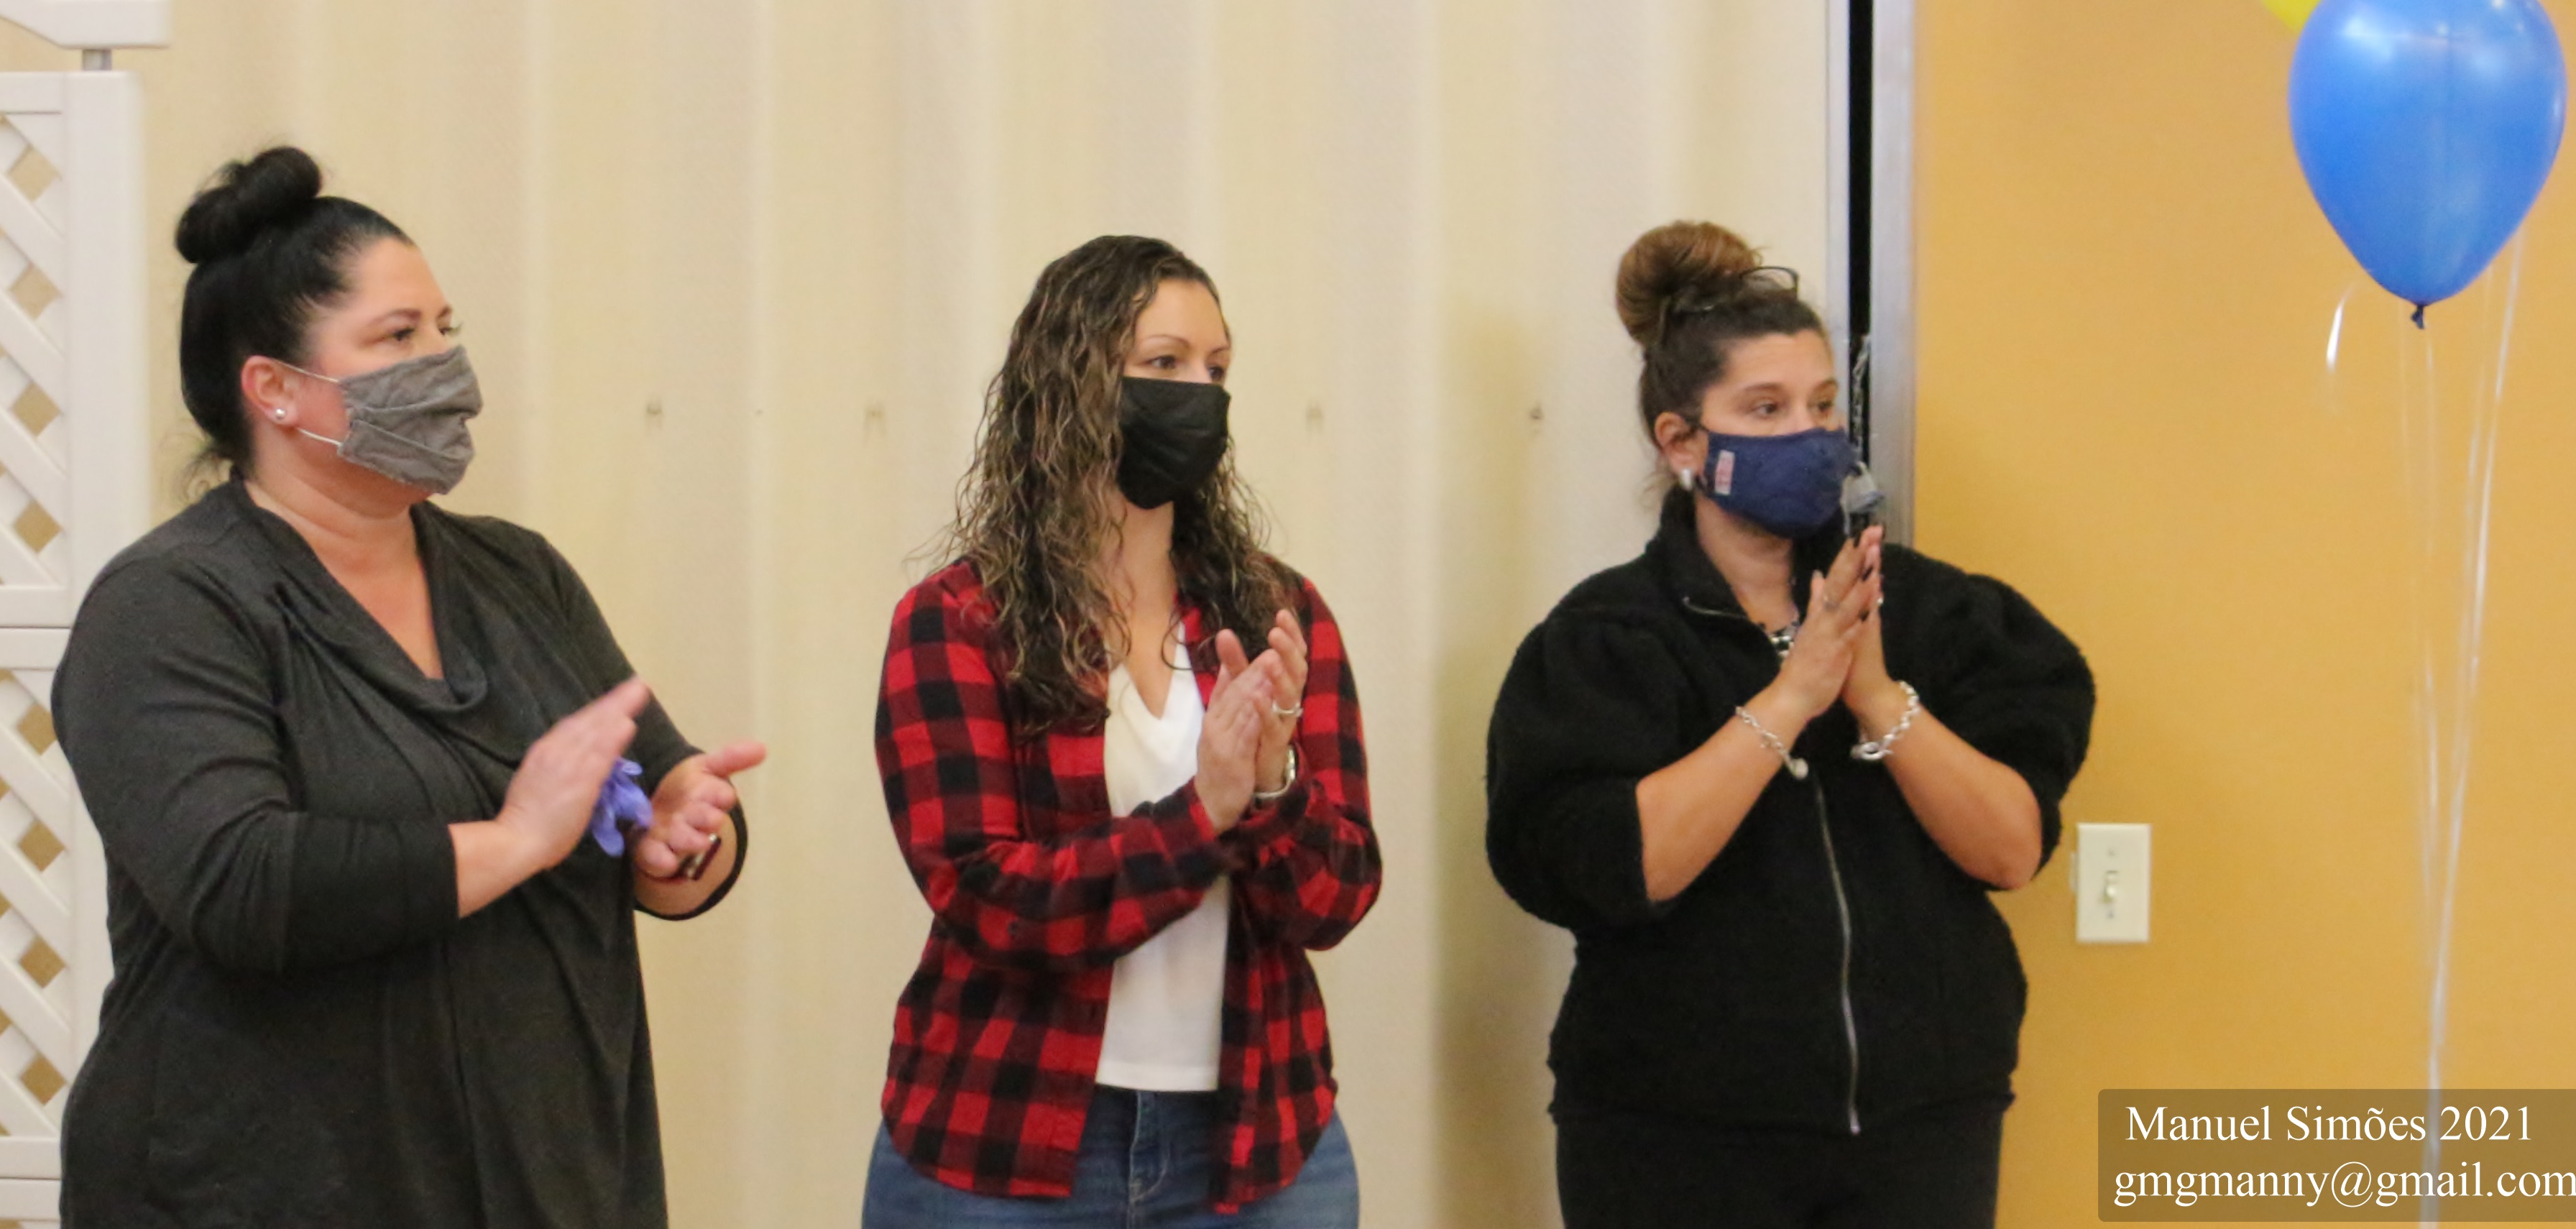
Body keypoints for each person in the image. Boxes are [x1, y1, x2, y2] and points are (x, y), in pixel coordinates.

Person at [51, 147, 758, 1228]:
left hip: (546, 1174)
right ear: (275, 390)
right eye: (396, 338)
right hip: (265, 1189)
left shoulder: (520, 574)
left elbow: (655, 798)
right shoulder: (169, 604)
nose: (444, 365)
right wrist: (518, 838)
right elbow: (241, 886)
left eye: (445, 329)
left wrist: (685, 840)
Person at [1484, 221, 2094, 1229]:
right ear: (1683, 442)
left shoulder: (1941, 616)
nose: (1809, 437)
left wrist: (1877, 696)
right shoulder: (1605, 640)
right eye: (1764, 410)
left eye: (1820, 406)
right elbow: (1619, 868)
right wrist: (1789, 697)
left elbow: (2009, 848)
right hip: (1671, 1140)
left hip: (1923, 1129)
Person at [861, 236, 1380, 1228]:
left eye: (1218, 370)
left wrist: (1275, 788)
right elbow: (990, 898)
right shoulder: (961, 618)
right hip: (1006, 1136)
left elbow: (1338, 897)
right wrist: (1205, 812)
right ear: (1071, 380)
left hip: (1257, 1139)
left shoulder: (1278, 610)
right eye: (1165, 364)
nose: (1201, 395)